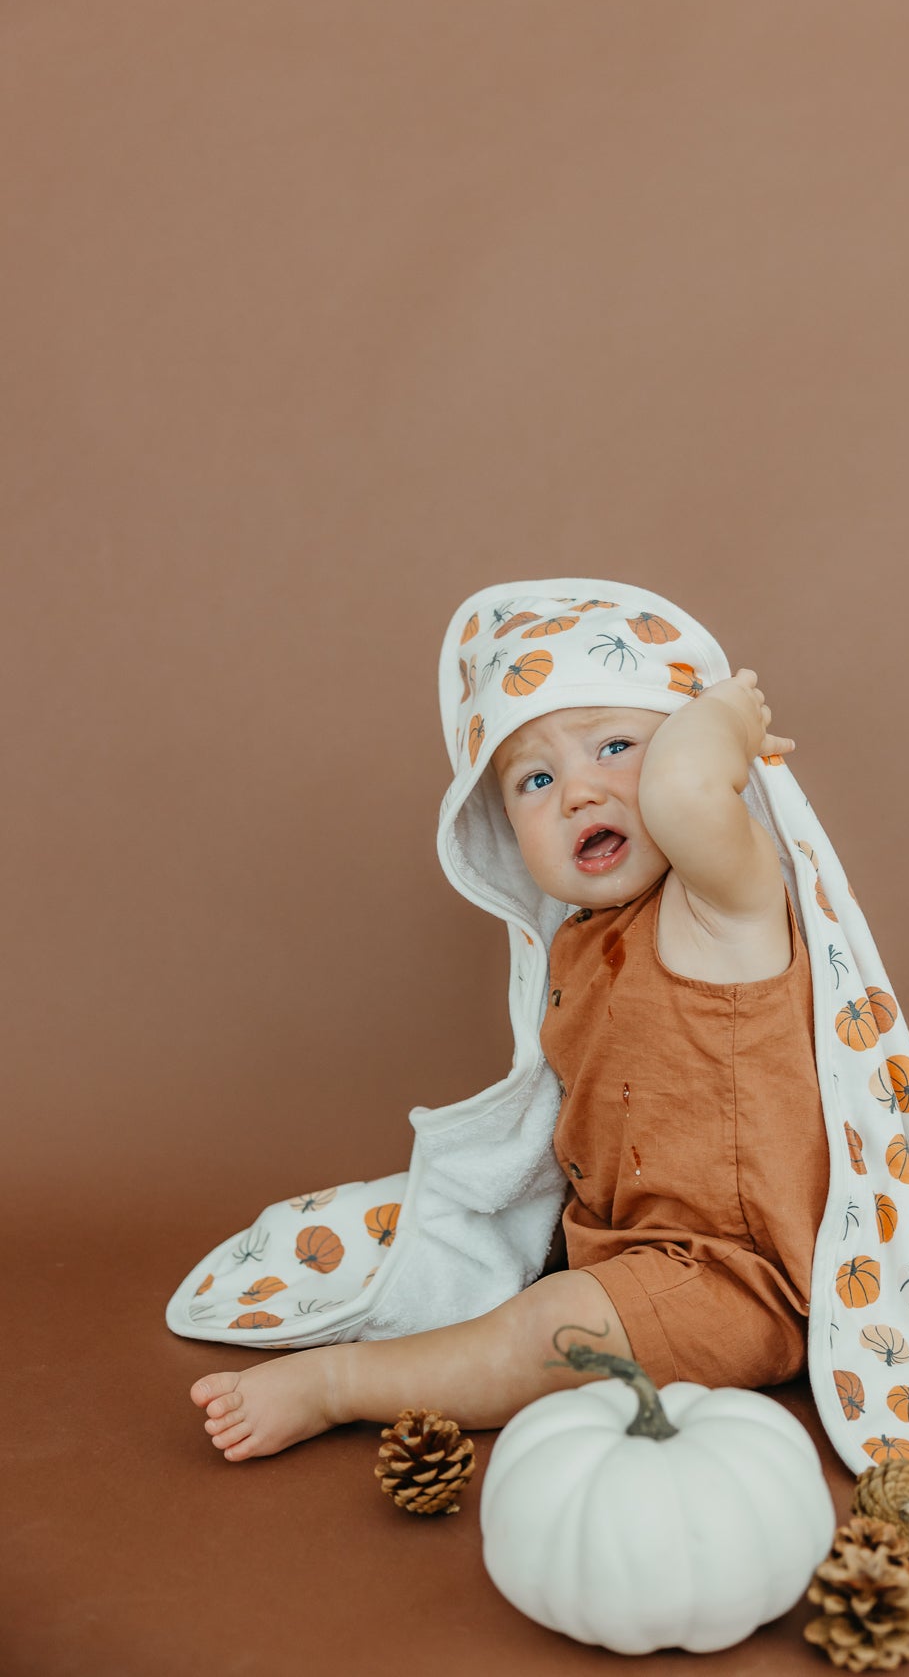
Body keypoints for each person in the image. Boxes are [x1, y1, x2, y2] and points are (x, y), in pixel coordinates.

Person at [190, 595, 830, 1461]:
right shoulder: (579, 941)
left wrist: (724, 717)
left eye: (615, 745)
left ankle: (341, 1383)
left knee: (551, 1326)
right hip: (624, 1251)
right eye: (535, 779)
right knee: (476, 1253)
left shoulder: (722, 898)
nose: (578, 791)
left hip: (748, 1280)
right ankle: (454, 1316)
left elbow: (687, 793)